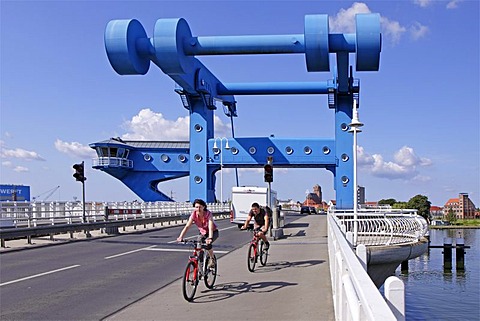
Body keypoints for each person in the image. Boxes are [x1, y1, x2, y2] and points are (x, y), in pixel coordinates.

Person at [177, 199, 219, 267]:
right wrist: (180, 237)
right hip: (202, 233)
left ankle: (212, 259)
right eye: (196, 207)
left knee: (207, 245)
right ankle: (201, 268)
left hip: (213, 232)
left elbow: (210, 227)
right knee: (198, 249)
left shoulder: (208, 214)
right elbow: (187, 226)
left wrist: (210, 238)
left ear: (204, 207)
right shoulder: (194, 214)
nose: (198, 209)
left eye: (200, 207)